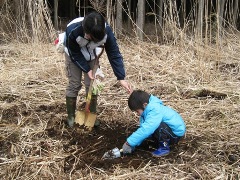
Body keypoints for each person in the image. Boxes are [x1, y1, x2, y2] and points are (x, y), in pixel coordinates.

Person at [64, 11, 131, 127]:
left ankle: (91, 114)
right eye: (91, 36)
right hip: (73, 55)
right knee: (74, 84)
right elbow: (74, 53)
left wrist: (121, 77)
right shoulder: (72, 30)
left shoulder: (107, 32)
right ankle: (71, 116)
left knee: (92, 85)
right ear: (86, 31)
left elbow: (114, 53)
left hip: (91, 54)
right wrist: (87, 69)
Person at [122, 90, 186, 157]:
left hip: (175, 134)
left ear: (145, 105)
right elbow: (143, 129)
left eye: (137, 111)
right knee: (150, 129)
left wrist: (129, 143)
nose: (137, 114)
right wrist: (134, 144)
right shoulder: (146, 111)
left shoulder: (155, 110)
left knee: (158, 127)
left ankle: (164, 148)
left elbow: (147, 129)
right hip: (168, 131)